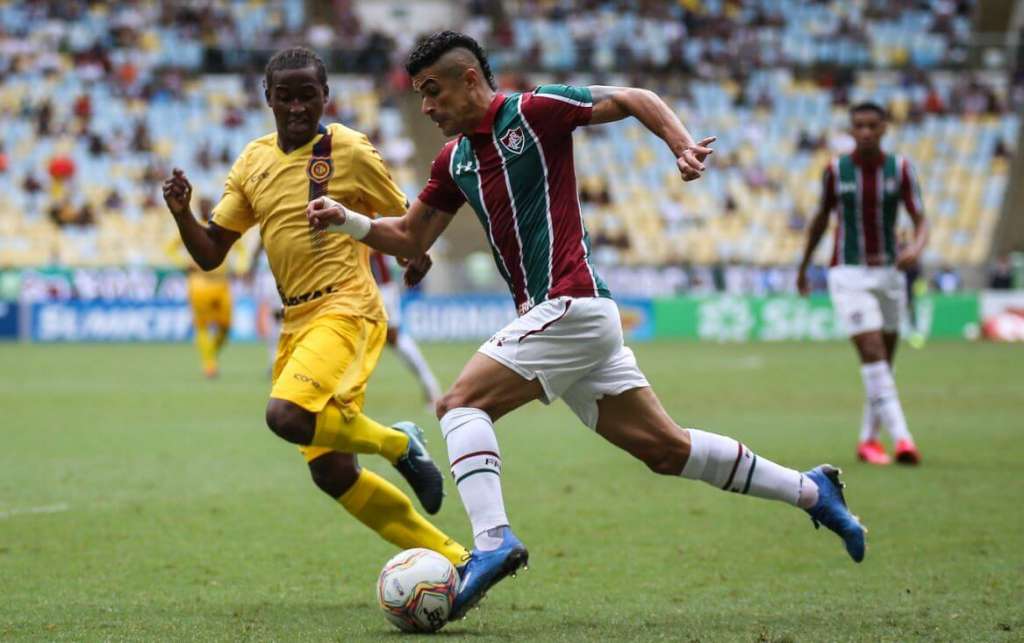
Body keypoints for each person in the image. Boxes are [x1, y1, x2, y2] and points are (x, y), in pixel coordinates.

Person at [307, 31, 866, 621]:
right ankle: (812, 490)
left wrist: (680, 145)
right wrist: (348, 220)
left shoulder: (534, 111)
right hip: (567, 319)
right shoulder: (454, 161)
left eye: (432, 91)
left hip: (570, 303)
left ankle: (493, 543)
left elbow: (632, 97)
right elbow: (410, 236)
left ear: (469, 79)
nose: (425, 107)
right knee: (666, 449)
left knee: (459, 406)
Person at [162, 46, 469, 572]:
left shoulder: (348, 149)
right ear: (268, 98)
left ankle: (397, 444)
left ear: (325, 95)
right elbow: (211, 251)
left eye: (308, 95)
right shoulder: (253, 161)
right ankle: (457, 558)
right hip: (296, 322)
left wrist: (415, 255)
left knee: (285, 415)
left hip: (347, 307)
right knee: (332, 473)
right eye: (285, 97)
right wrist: (182, 214)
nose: (297, 107)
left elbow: (408, 219)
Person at [797, 102, 928, 467]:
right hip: (848, 272)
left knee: (883, 361)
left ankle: (869, 440)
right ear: (851, 130)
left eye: (872, 126)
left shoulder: (901, 169)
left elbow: (921, 219)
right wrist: (803, 266)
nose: (866, 132)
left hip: (889, 272)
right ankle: (903, 439)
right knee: (871, 351)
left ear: (884, 128)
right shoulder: (835, 171)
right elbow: (821, 219)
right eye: (859, 126)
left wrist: (916, 248)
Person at [167, 197, 234, 378]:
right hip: (199, 281)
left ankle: (210, 354)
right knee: (202, 325)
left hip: (221, 282)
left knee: (226, 327)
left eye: (208, 206)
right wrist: (183, 263)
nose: (206, 209)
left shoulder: (223, 225)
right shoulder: (192, 227)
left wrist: (241, 265)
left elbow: (241, 248)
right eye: (203, 206)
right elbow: (169, 249)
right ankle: (209, 364)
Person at [370, 250, 443, 407]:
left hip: (380, 289)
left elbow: (370, 249)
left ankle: (430, 386)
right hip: (368, 289)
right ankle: (431, 386)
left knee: (394, 338)